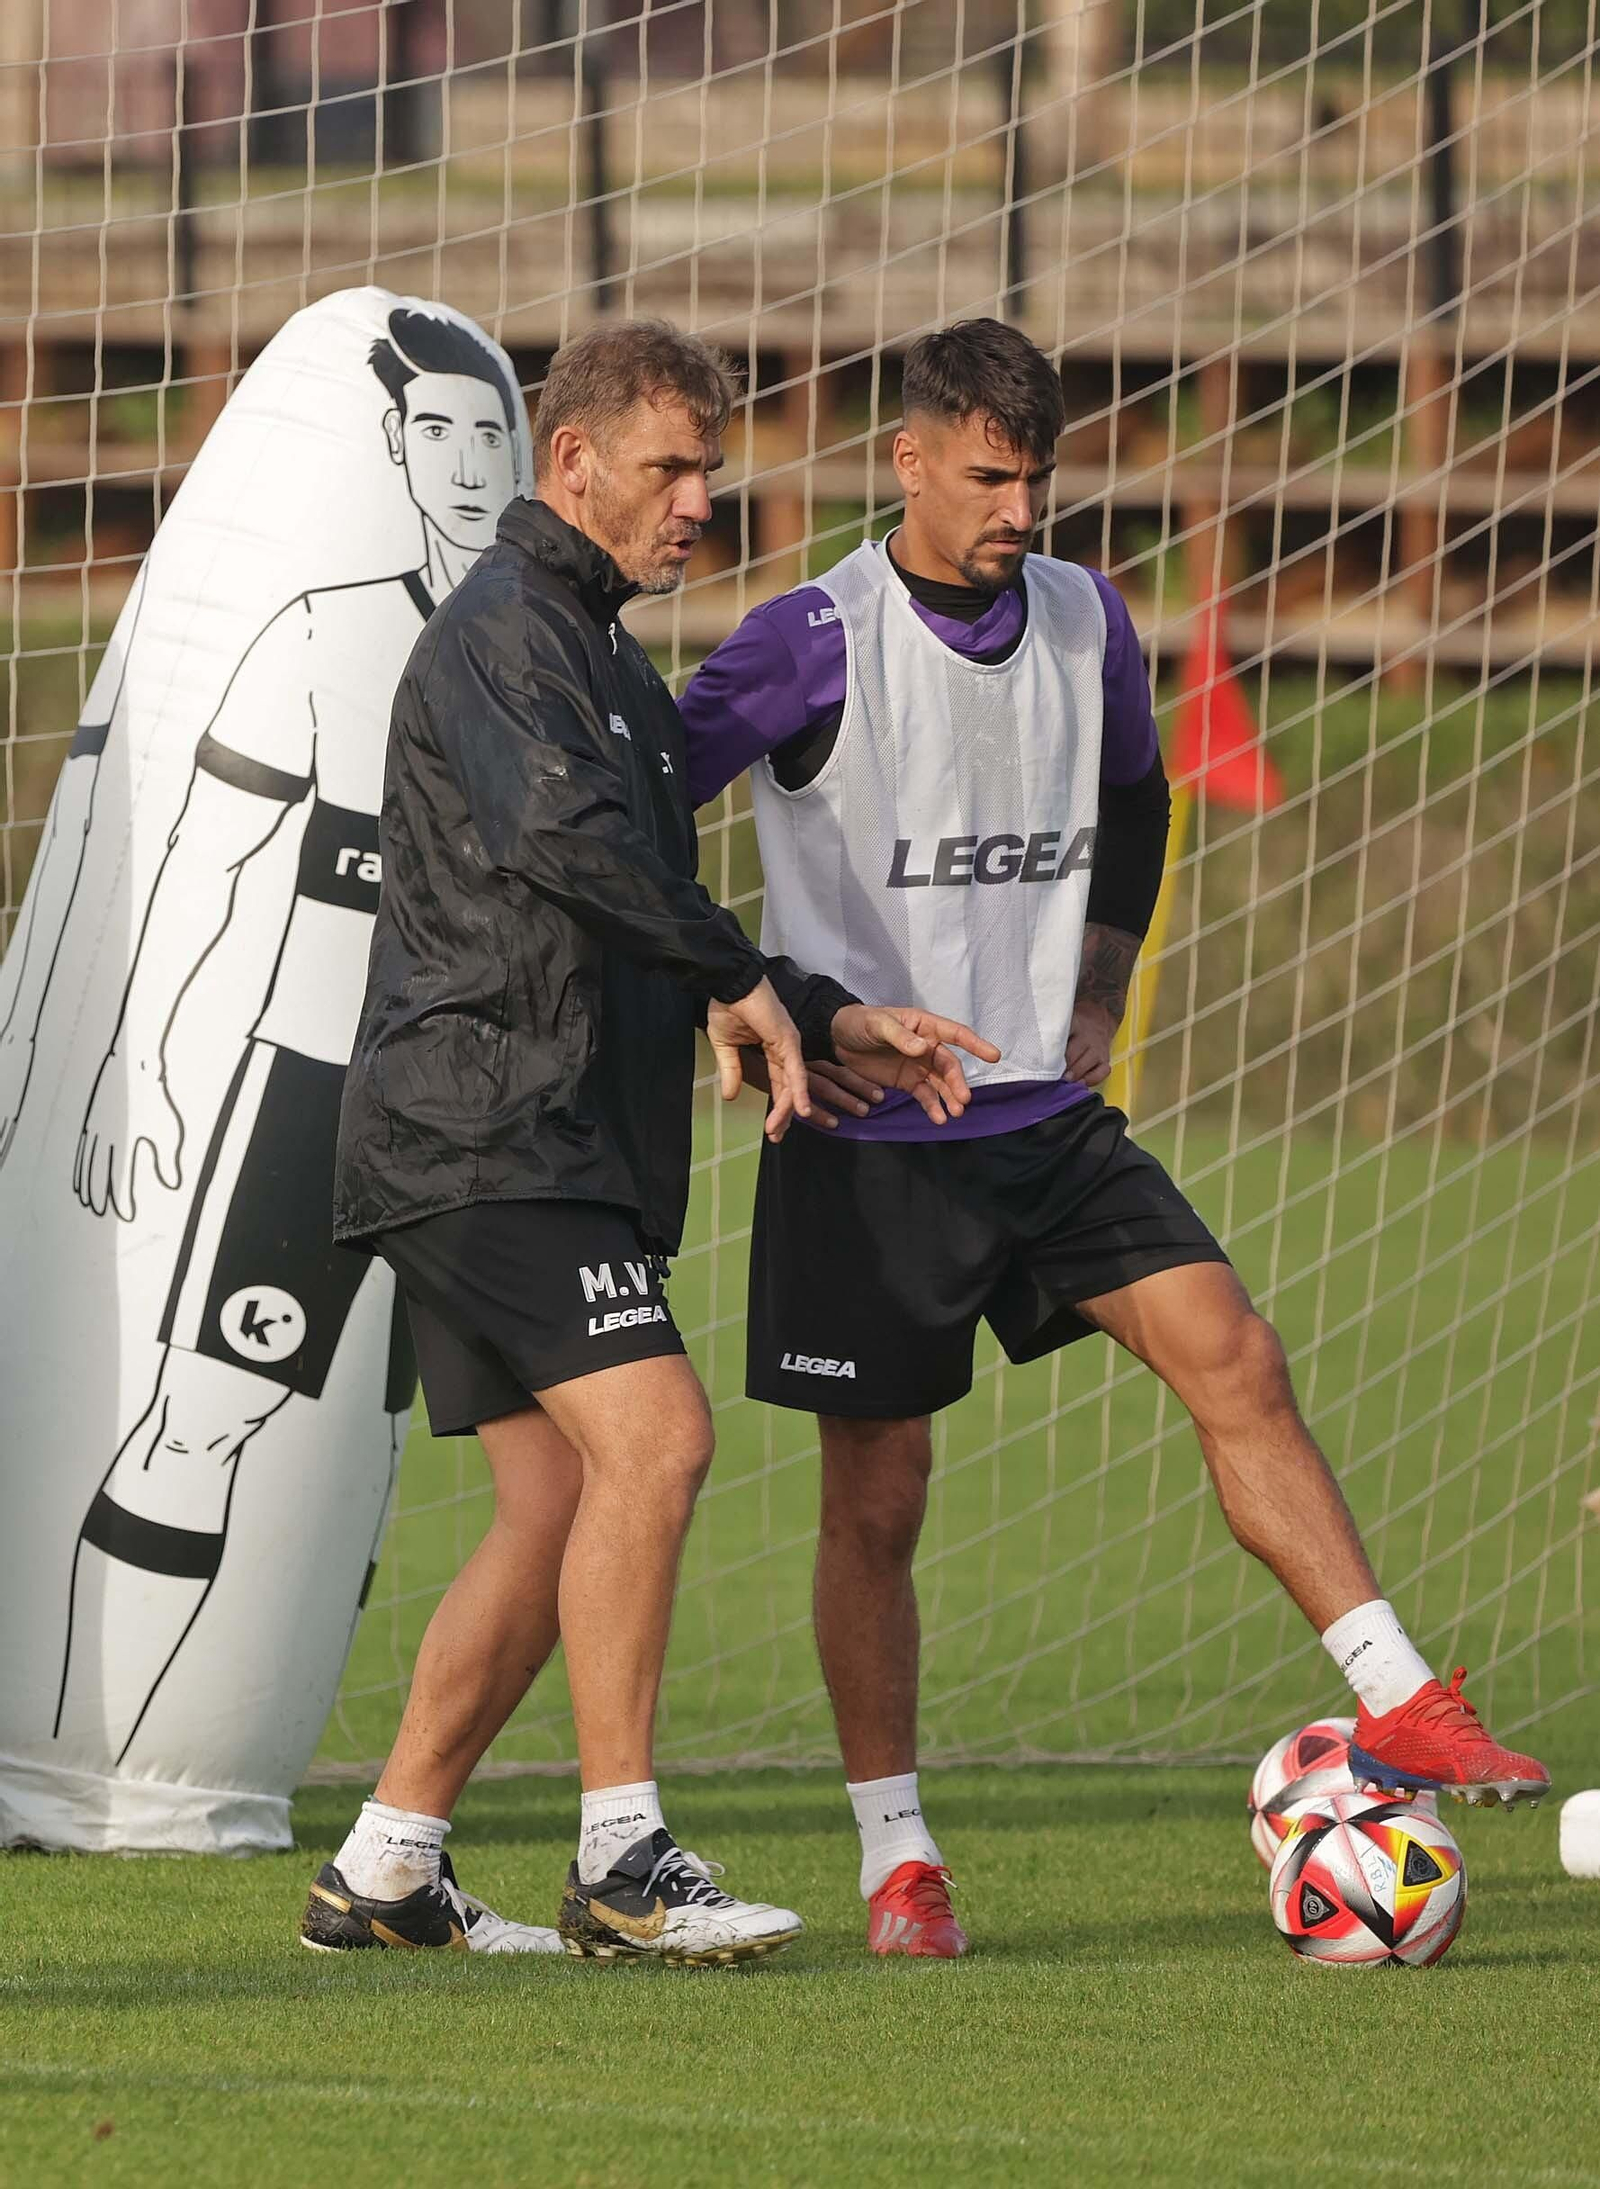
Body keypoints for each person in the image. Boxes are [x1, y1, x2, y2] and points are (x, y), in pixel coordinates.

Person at [679, 315, 1550, 1961]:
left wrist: (1100, 975)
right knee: (881, 1501)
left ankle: (1402, 1696)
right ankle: (898, 1856)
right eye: (989, 476)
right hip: (873, 1142)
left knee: (1239, 1353)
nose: (1020, 508)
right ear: (911, 459)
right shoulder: (812, 638)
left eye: (1042, 477)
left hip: (1050, 1123)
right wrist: (765, 995)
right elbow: (640, 811)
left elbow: (1140, 799)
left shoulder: (1090, 619)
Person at [305, 318, 996, 1965]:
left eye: (713, 470)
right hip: (488, 1131)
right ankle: (624, 1856)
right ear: (575, 462)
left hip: (532, 1138)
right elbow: (563, 843)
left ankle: (388, 1865)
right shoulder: (503, 630)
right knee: (662, 1440)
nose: (699, 499)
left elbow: (664, 898)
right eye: (671, 466)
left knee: (556, 1507)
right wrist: (741, 976)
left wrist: (814, 1011)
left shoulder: (611, 660)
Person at [55, 306, 524, 1766]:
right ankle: (95, 1770)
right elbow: (204, 856)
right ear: (391, 447)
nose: (459, 461)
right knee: (206, 1423)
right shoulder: (328, 632)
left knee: (403, 1462)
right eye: (433, 431)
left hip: (488, 1115)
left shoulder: (545, 659)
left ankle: (415, 1813)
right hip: (316, 1097)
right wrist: (142, 1079)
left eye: (485, 432)